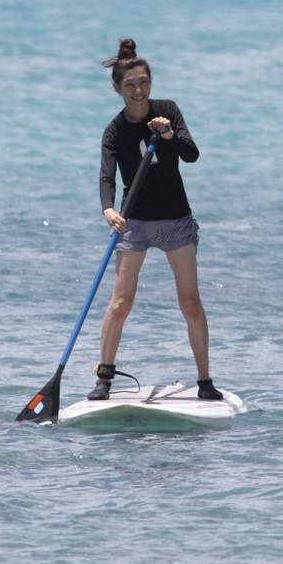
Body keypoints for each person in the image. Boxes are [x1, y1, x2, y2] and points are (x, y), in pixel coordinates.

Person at [89, 38, 222, 401]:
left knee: (190, 302)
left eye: (143, 82)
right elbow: (106, 176)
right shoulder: (115, 131)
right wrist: (108, 209)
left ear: (151, 83)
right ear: (117, 88)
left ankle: (205, 382)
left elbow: (191, 155)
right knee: (121, 303)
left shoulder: (168, 110)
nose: (138, 89)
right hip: (134, 223)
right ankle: (103, 379)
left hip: (176, 219)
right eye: (130, 84)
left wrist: (167, 135)